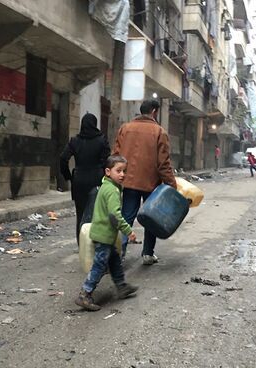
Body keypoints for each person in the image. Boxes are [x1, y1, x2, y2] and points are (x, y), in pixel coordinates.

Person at [113, 100, 176, 265]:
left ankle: (119, 254)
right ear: (154, 111)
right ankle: (147, 254)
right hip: (151, 183)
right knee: (151, 218)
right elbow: (164, 163)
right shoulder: (159, 132)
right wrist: (171, 185)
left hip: (128, 182)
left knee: (126, 217)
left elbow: (115, 155)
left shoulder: (125, 129)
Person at [75, 155, 138, 311]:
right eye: (119, 171)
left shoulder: (106, 185)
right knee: (99, 265)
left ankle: (121, 286)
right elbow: (114, 215)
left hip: (104, 234)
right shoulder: (112, 191)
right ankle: (85, 293)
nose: (122, 174)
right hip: (104, 235)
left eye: (124, 171)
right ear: (108, 171)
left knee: (114, 260)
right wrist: (128, 231)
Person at [60, 113, 110, 243]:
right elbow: (107, 161)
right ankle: (95, 242)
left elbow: (63, 158)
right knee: (97, 212)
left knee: (81, 214)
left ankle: (82, 244)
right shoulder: (102, 140)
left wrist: (68, 176)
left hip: (79, 180)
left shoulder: (75, 140)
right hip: (97, 179)